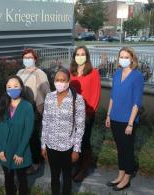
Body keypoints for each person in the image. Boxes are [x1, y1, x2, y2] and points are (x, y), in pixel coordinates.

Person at [105, 47, 144, 191]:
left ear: (132, 59)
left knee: (127, 149)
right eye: (121, 56)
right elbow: (113, 97)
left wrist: (130, 123)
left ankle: (127, 177)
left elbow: (136, 102)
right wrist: (108, 115)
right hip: (115, 117)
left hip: (128, 120)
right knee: (120, 148)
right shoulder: (117, 74)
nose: (123, 59)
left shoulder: (137, 76)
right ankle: (120, 175)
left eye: (126, 57)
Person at [41, 68, 85, 195]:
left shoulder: (77, 100)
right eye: (57, 80)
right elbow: (45, 122)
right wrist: (43, 145)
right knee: (54, 177)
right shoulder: (49, 97)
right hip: (51, 145)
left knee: (67, 178)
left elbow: (80, 127)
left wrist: (76, 149)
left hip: (67, 147)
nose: (60, 82)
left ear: (69, 81)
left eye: (63, 80)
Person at [0, 75, 34, 195]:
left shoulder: (27, 106)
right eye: (9, 87)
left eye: (16, 86)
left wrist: (20, 152)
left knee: (22, 179)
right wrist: (0, 149)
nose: (13, 89)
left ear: (21, 87)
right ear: (5, 89)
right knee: (8, 178)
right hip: (4, 151)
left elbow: (28, 131)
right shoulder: (0, 107)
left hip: (21, 151)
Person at [69, 45, 101, 182]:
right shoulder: (71, 72)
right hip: (72, 112)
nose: (80, 56)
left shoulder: (93, 73)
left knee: (84, 140)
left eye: (83, 54)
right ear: (74, 56)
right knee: (75, 140)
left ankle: (84, 168)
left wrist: (89, 113)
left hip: (87, 113)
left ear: (87, 57)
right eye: (77, 54)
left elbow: (96, 94)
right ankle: (76, 165)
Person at [16, 48, 50, 174]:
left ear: (35, 59)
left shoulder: (40, 73)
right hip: (20, 108)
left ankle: (36, 162)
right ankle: (25, 159)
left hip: (34, 109)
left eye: (30, 57)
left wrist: (43, 109)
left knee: (33, 136)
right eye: (25, 57)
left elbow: (46, 92)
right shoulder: (19, 72)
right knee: (23, 136)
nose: (27, 60)